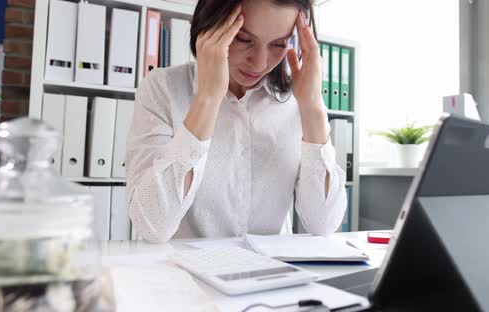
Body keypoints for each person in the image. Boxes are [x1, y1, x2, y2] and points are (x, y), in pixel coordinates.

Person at [126, 0, 347, 242]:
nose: (260, 63)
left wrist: (313, 106)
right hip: (187, 276)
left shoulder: (300, 100)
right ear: (210, 25)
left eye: (279, 44)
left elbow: (324, 223)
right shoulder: (163, 88)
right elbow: (152, 225)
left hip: (273, 275)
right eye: (243, 39)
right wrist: (207, 99)